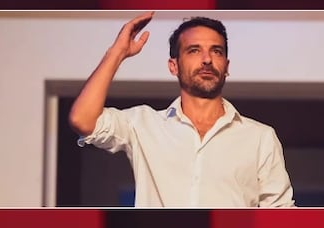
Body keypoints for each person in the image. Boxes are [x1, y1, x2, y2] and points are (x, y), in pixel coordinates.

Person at [69, 12, 295, 207]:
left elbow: (281, 216)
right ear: (173, 66)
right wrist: (116, 53)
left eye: (216, 51)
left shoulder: (260, 137)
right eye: (194, 50)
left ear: (226, 66)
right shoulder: (143, 124)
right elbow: (82, 120)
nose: (207, 59)